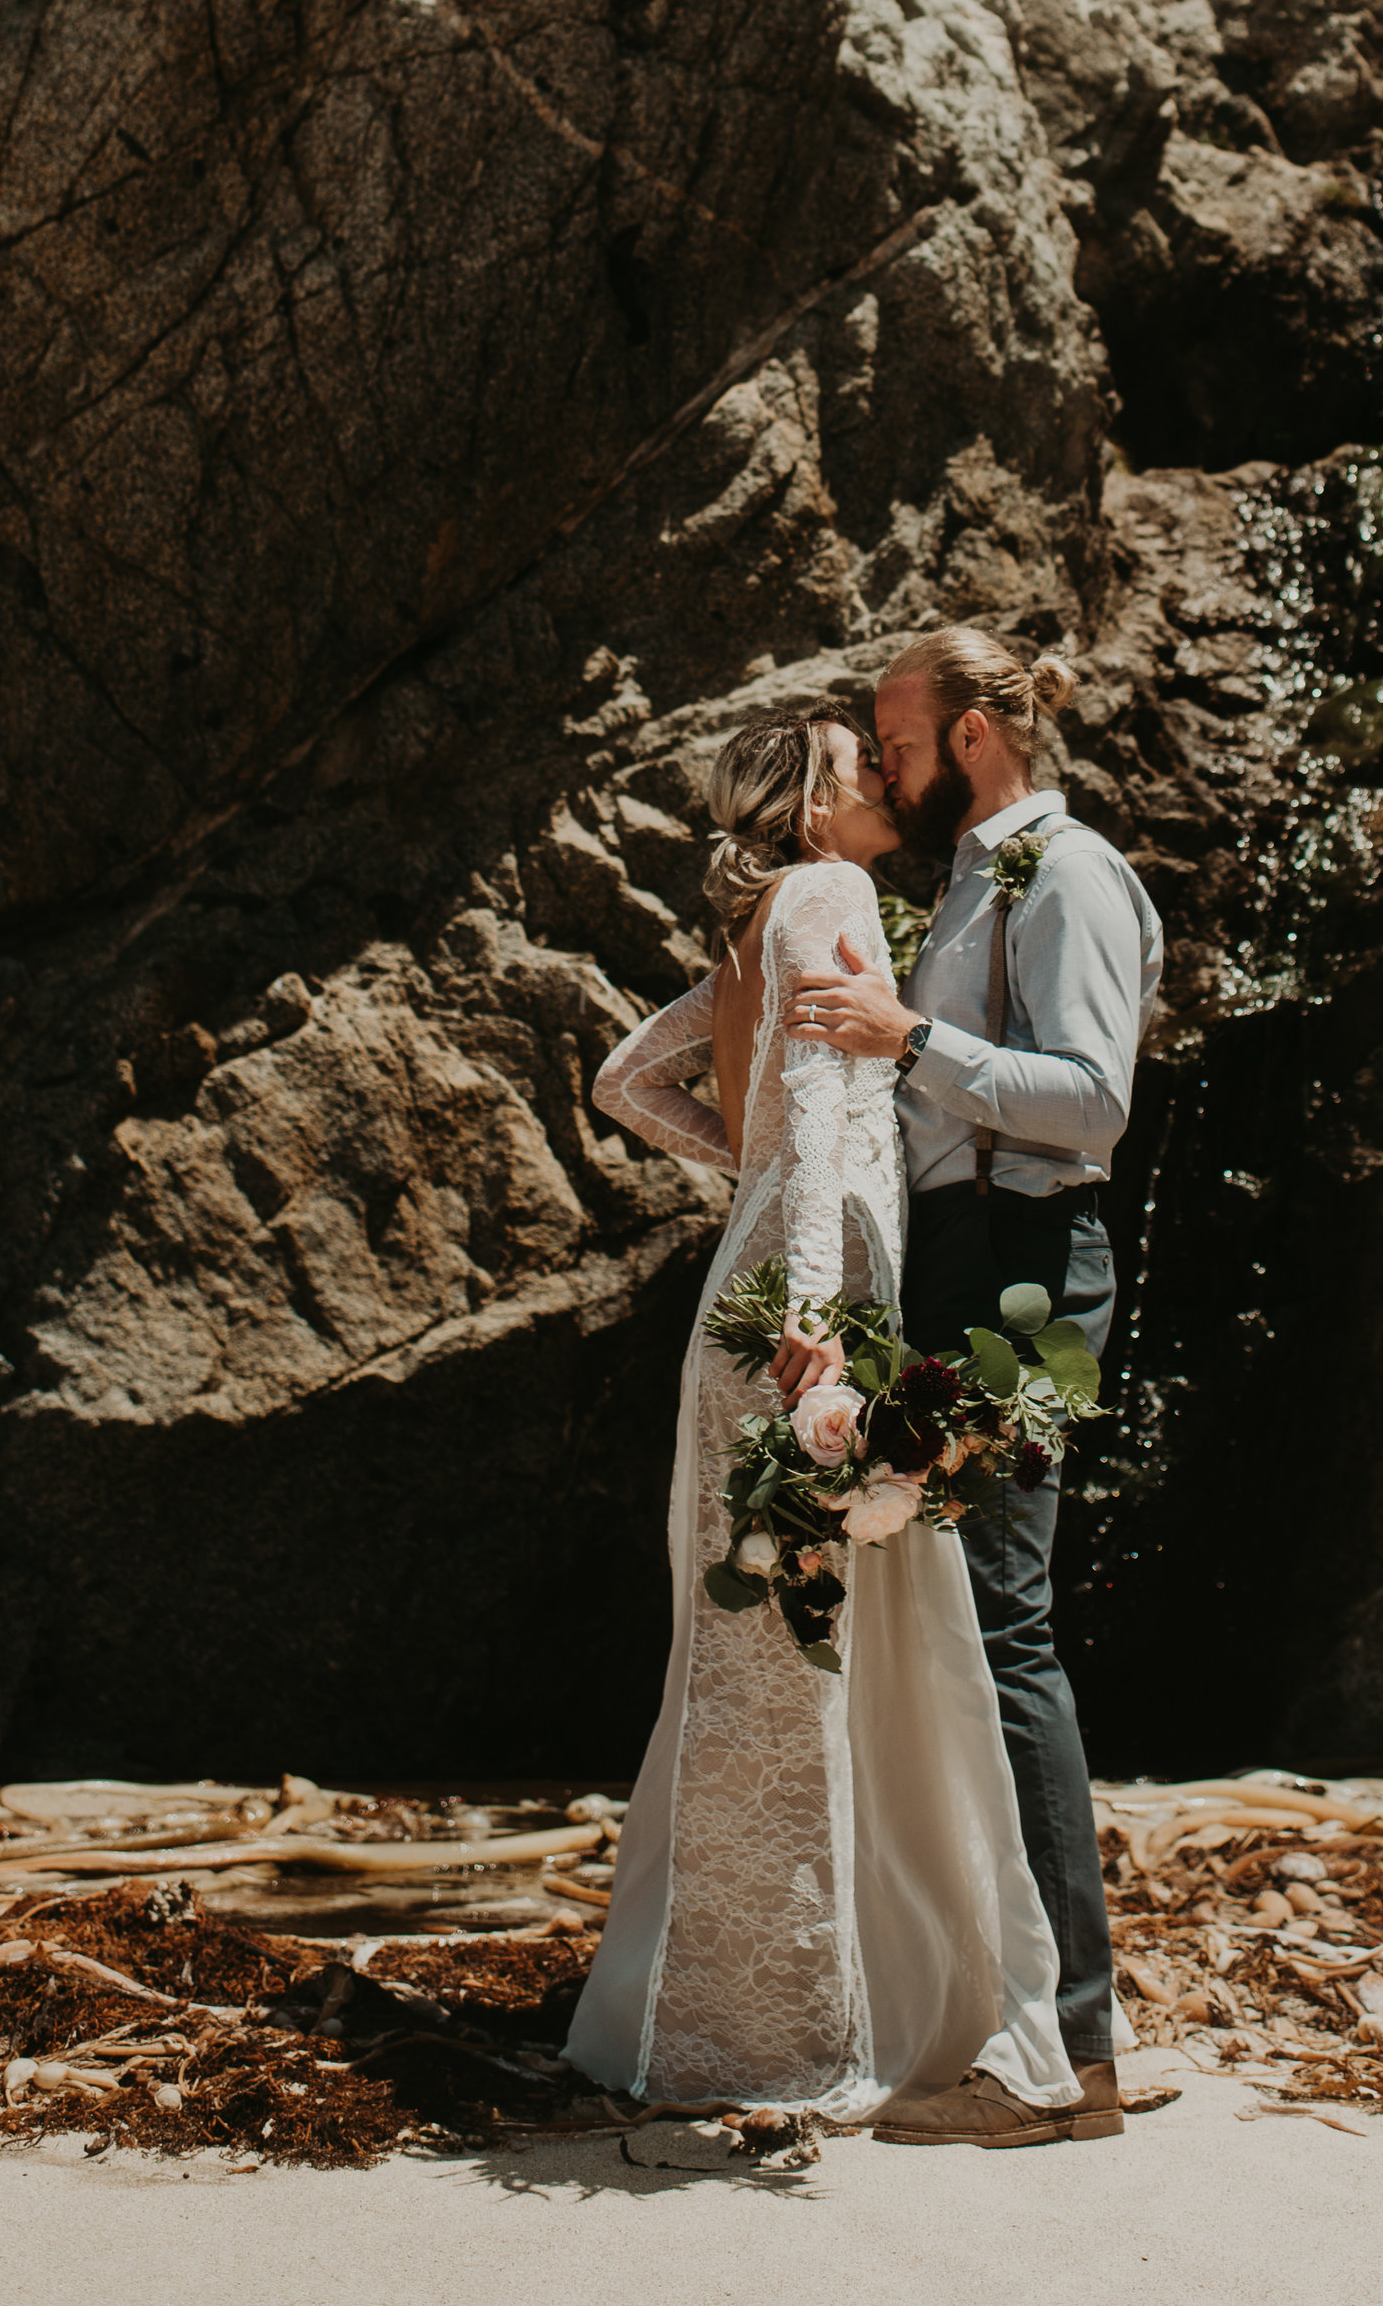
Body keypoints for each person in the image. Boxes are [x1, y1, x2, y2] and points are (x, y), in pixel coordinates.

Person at [565, 707, 1081, 2132]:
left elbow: (626, 1079)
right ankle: (797, 2022)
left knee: (746, 1662)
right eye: (856, 757)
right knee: (803, 1659)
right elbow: (809, 1082)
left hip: (753, 1291)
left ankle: (705, 2007)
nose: (878, 771)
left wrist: (749, 1175)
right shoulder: (833, 889)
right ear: (811, 802)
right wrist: (813, 1311)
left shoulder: (752, 929)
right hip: (810, 1308)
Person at [787, 629, 1162, 2146]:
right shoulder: (960, 883)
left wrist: (910, 1036)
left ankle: (1068, 2054)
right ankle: (1034, 2019)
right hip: (964, 1264)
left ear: (985, 732)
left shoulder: (1061, 870)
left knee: (1005, 1626)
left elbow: (1093, 1098)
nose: (882, 768)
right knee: (967, 1623)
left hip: (1027, 1263)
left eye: (900, 741)